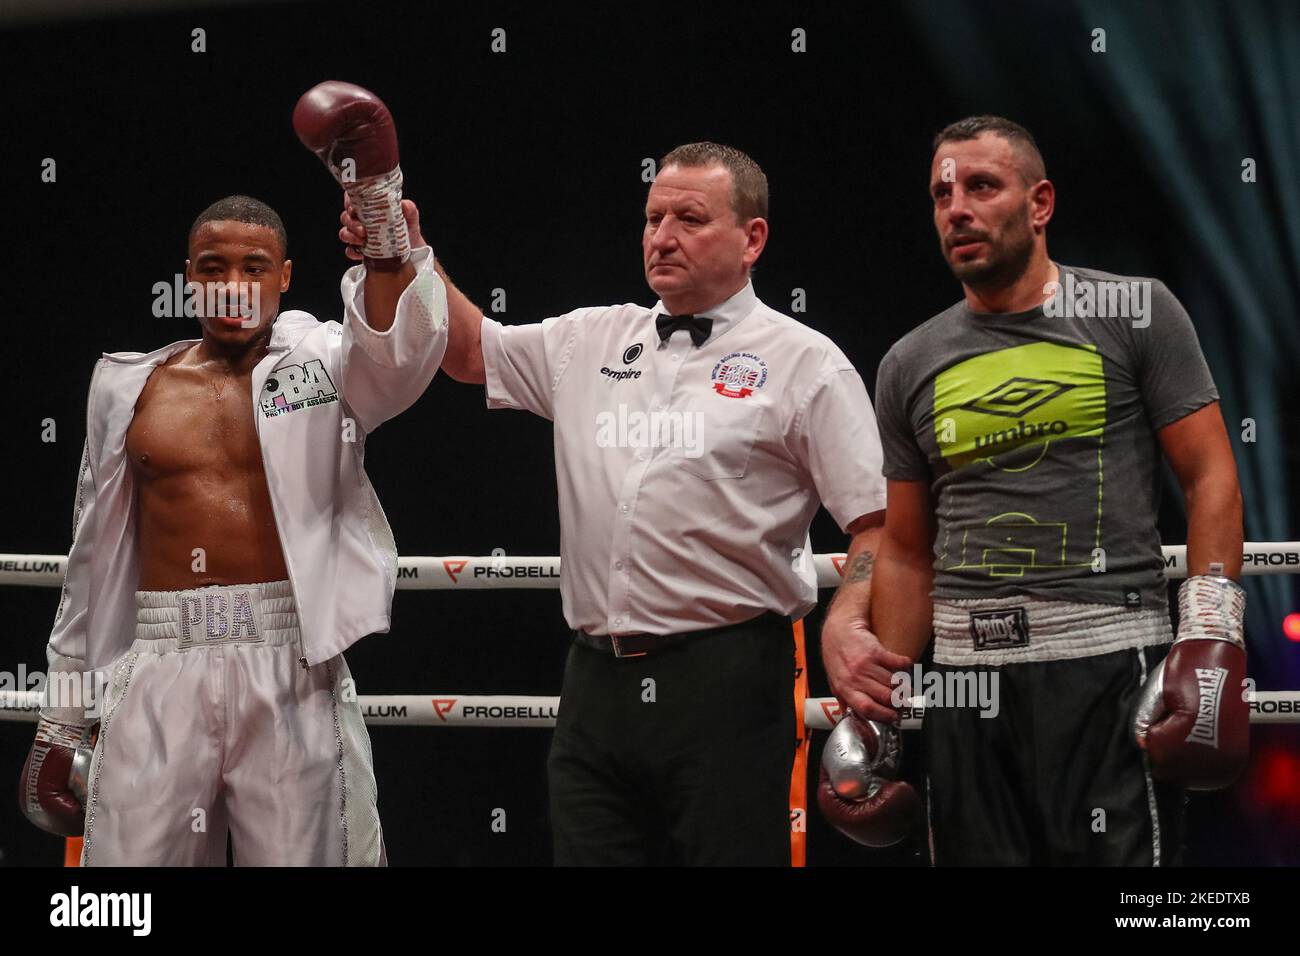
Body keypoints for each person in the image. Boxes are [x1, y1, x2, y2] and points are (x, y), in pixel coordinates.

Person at [343, 142, 887, 865]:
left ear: (752, 238)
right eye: (653, 216)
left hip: (728, 675)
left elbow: (877, 523)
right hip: (594, 679)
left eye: (689, 219)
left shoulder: (807, 363)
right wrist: (410, 252)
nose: (662, 237)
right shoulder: (592, 338)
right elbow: (471, 351)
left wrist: (847, 612)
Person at [19, 82, 449, 865]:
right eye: (213, 265)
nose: (232, 281)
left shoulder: (321, 364)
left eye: (254, 266)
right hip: (157, 660)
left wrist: (381, 214)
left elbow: (403, 354)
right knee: (123, 890)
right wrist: (63, 714)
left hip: (287, 660)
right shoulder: (126, 386)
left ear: (285, 277)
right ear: (188, 275)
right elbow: (90, 565)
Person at [821, 115, 1249, 865]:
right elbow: (909, 550)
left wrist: (1211, 633)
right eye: (941, 195)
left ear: (1040, 202)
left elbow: (1211, 475)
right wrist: (880, 709)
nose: (958, 209)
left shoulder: (1136, 313)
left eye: (982, 186)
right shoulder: (908, 362)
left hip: (1108, 663)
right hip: (964, 684)